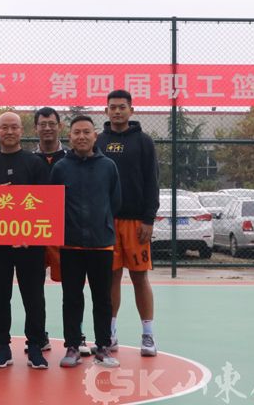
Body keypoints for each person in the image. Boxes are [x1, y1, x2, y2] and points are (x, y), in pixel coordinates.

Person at [0, 112, 50, 369]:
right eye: (4, 127)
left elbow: (46, 203)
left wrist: (30, 234)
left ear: (21, 130)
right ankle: (3, 347)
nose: (9, 132)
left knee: (34, 296)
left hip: (30, 243)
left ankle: (35, 347)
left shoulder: (36, 164)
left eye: (14, 127)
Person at [50, 115, 121, 368]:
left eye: (86, 132)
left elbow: (115, 202)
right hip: (70, 245)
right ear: (70, 137)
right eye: (77, 132)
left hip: (101, 243)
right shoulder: (60, 168)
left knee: (102, 298)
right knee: (71, 298)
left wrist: (102, 224)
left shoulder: (108, 166)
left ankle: (103, 347)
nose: (81, 136)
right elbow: (53, 204)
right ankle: (72, 347)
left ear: (95, 136)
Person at [95, 89, 161, 357]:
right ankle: (110, 334)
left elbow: (152, 181)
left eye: (122, 107)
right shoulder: (98, 141)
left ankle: (148, 334)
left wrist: (148, 218)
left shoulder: (144, 142)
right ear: (106, 111)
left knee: (139, 277)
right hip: (107, 222)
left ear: (131, 110)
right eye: (112, 107)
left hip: (136, 223)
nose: (117, 111)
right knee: (110, 277)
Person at [32, 106, 91, 356]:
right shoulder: (28, 160)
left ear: (59, 127)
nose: (47, 128)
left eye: (51, 124)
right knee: (34, 289)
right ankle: (38, 336)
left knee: (73, 289)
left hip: (65, 234)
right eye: (42, 124)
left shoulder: (72, 159)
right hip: (34, 233)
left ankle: (76, 337)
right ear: (35, 128)